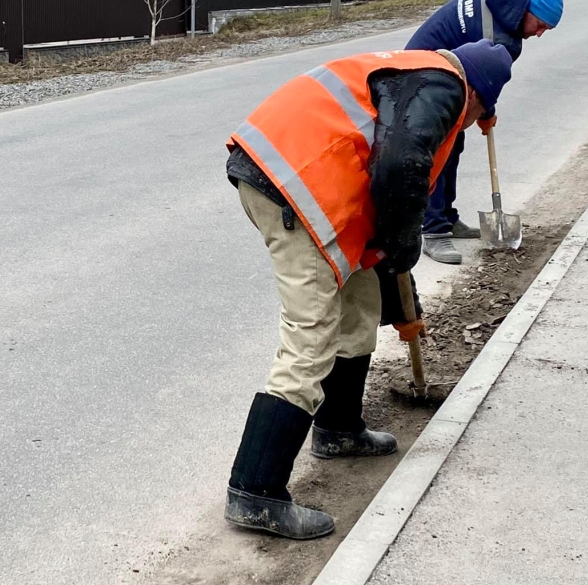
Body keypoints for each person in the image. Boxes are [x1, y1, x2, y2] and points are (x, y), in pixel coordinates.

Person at [223, 40, 514, 539]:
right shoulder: (444, 87)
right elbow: (402, 167)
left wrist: (394, 260)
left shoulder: (420, 74)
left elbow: (387, 175)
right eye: (476, 117)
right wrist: (404, 240)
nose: (467, 127)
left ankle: (338, 428)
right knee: (311, 335)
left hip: (306, 180)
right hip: (292, 186)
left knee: (359, 305)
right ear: (477, 99)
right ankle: (255, 491)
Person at [407, 0, 563, 264]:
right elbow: (485, 82)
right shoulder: (499, 36)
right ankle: (434, 231)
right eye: (540, 25)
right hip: (422, 77)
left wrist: (484, 113)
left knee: (454, 144)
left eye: (546, 30)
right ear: (527, 12)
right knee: (440, 152)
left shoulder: (503, 12)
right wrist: (486, 114)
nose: (539, 34)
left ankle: (447, 216)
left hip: (443, 73)